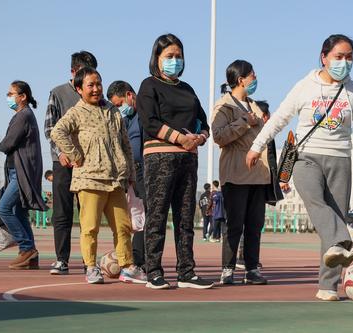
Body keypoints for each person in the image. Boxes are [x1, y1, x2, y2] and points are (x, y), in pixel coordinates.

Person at [246, 34, 353, 301]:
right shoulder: (305, 85)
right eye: (338, 57)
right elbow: (280, 118)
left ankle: (328, 286)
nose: (344, 62)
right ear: (324, 57)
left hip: (341, 159)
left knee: (333, 219)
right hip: (306, 157)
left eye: (349, 57)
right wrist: (257, 146)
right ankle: (345, 238)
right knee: (318, 205)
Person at [51, 67, 146, 285]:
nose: (96, 89)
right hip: (89, 180)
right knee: (90, 227)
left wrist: (129, 172)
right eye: (90, 85)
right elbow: (57, 132)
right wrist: (75, 155)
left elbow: (125, 145)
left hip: (115, 180)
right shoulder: (76, 112)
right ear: (79, 89)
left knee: (123, 226)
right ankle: (91, 267)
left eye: (99, 84)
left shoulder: (113, 111)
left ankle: (127, 267)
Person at [136, 33, 213, 290]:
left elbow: (203, 121)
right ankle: (154, 271)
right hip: (159, 159)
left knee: (185, 218)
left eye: (178, 56)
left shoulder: (188, 90)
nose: (175, 60)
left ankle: (186, 271)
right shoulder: (149, 86)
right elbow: (149, 122)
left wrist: (199, 138)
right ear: (157, 58)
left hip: (188, 160)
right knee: (157, 216)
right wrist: (180, 138)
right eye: (169, 56)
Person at [212, 60, 271, 285]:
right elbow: (219, 136)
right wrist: (244, 122)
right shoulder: (225, 106)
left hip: (258, 174)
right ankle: (227, 269)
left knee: (255, 224)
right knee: (234, 223)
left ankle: (252, 269)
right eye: (252, 75)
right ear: (241, 80)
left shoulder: (255, 105)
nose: (255, 79)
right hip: (236, 173)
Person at [44, 50, 98, 275]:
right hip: (63, 163)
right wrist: (62, 152)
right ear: (73, 72)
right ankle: (61, 259)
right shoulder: (57, 93)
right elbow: (49, 128)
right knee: (62, 213)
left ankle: (89, 262)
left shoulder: (96, 97)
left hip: (88, 165)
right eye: (82, 73)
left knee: (88, 213)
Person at [0, 80, 48, 269]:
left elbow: (8, 143)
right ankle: (30, 255)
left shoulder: (24, 115)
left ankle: (26, 248)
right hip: (15, 171)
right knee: (18, 211)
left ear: (23, 96)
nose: (8, 97)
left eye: (11, 93)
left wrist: (1, 145)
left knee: (3, 209)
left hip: (21, 172)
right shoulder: (23, 115)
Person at [236, 100, 283, 269]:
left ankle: (248, 258)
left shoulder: (268, 135)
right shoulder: (256, 133)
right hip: (251, 180)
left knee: (255, 222)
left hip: (262, 180)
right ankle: (241, 257)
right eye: (268, 115)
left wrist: (277, 182)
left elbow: (272, 161)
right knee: (245, 221)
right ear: (264, 115)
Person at [107, 80, 146, 270]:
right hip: (131, 174)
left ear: (129, 95)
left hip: (147, 170)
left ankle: (139, 260)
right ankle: (133, 257)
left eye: (119, 104)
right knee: (132, 217)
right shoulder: (126, 119)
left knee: (144, 217)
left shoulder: (147, 113)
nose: (118, 109)